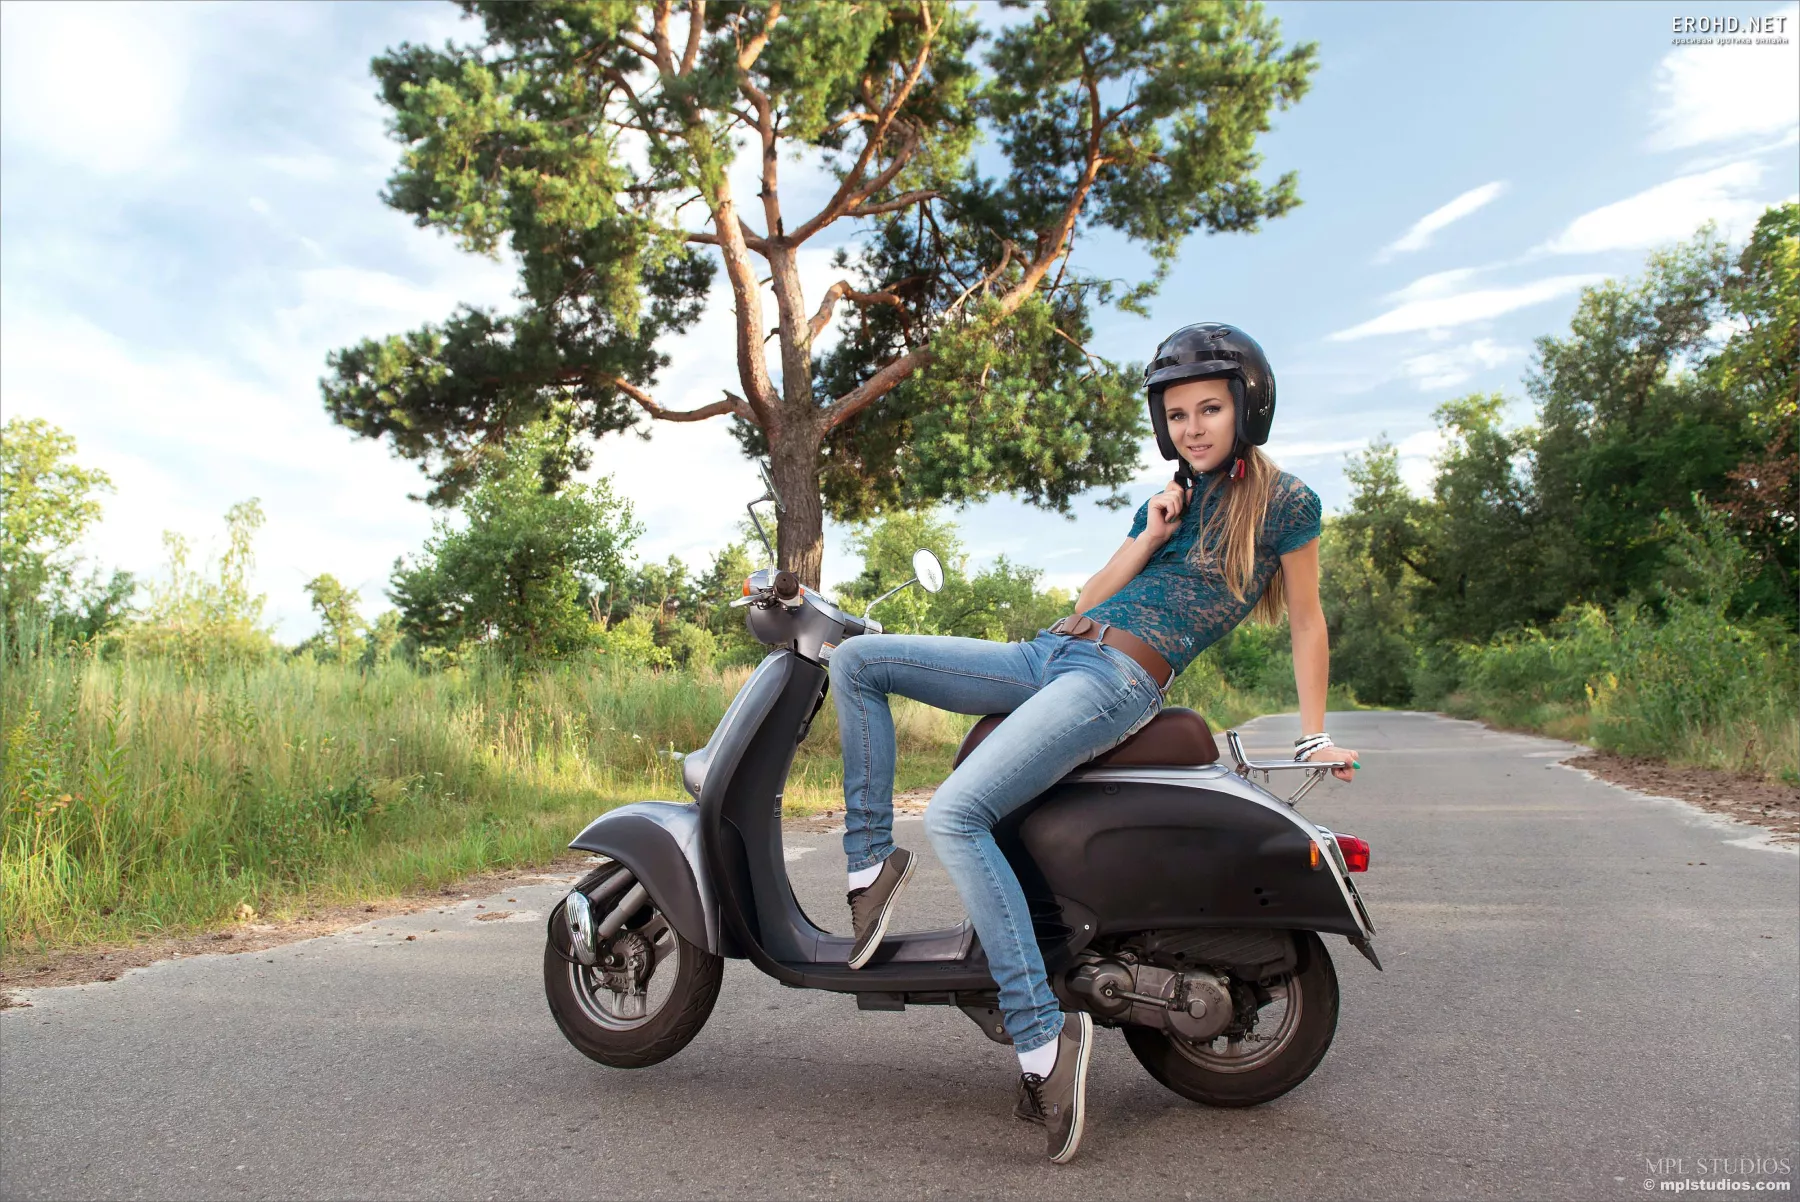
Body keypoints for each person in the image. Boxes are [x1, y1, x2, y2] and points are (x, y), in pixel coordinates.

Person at [826, 322, 1361, 1164]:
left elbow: (1307, 621)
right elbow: (1090, 596)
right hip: (1049, 652)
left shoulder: (1287, 504)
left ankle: (1043, 1041)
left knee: (957, 814)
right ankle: (868, 869)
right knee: (857, 659)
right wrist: (1150, 533)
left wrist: (1314, 732)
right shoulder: (1169, 499)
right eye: (1177, 414)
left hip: (1116, 677)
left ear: (1246, 408)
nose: (1193, 427)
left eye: (1210, 409)